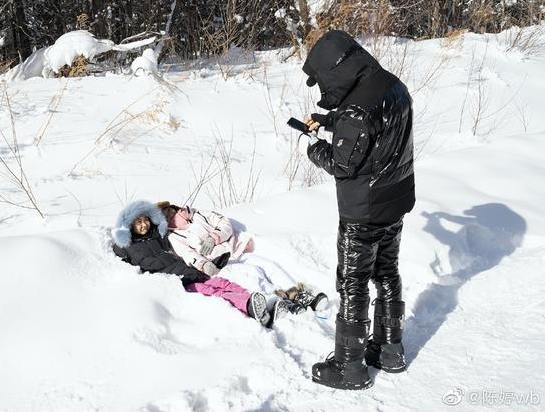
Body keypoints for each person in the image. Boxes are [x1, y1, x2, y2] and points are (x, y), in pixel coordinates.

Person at [298, 30, 415, 390]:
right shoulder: (391, 84)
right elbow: (371, 125)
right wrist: (331, 122)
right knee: (387, 273)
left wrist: (314, 148)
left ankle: (349, 366)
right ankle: (389, 350)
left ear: (334, 71)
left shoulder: (356, 110)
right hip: (393, 203)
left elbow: (342, 162)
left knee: (352, 283)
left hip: (361, 213)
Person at [111, 200, 288, 328]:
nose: (143, 225)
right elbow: (117, 262)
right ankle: (248, 306)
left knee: (223, 284)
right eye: (138, 222)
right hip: (175, 281)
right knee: (213, 292)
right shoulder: (125, 246)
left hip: (188, 271)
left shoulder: (159, 236)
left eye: (145, 220)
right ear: (129, 225)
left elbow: (176, 227)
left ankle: (261, 306)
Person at [156, 201, 329, 314]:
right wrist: (204, 265)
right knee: (255, 274)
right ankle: (281, 303)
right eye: (168, 217)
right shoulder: (176, 237)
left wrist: (215, 236)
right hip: (222, 262)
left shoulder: (199, 213)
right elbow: (189, 256)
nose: (174, 215)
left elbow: (224, 223)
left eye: (172, 211)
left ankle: (299, 294)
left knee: (270, 266)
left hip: (237, 248)